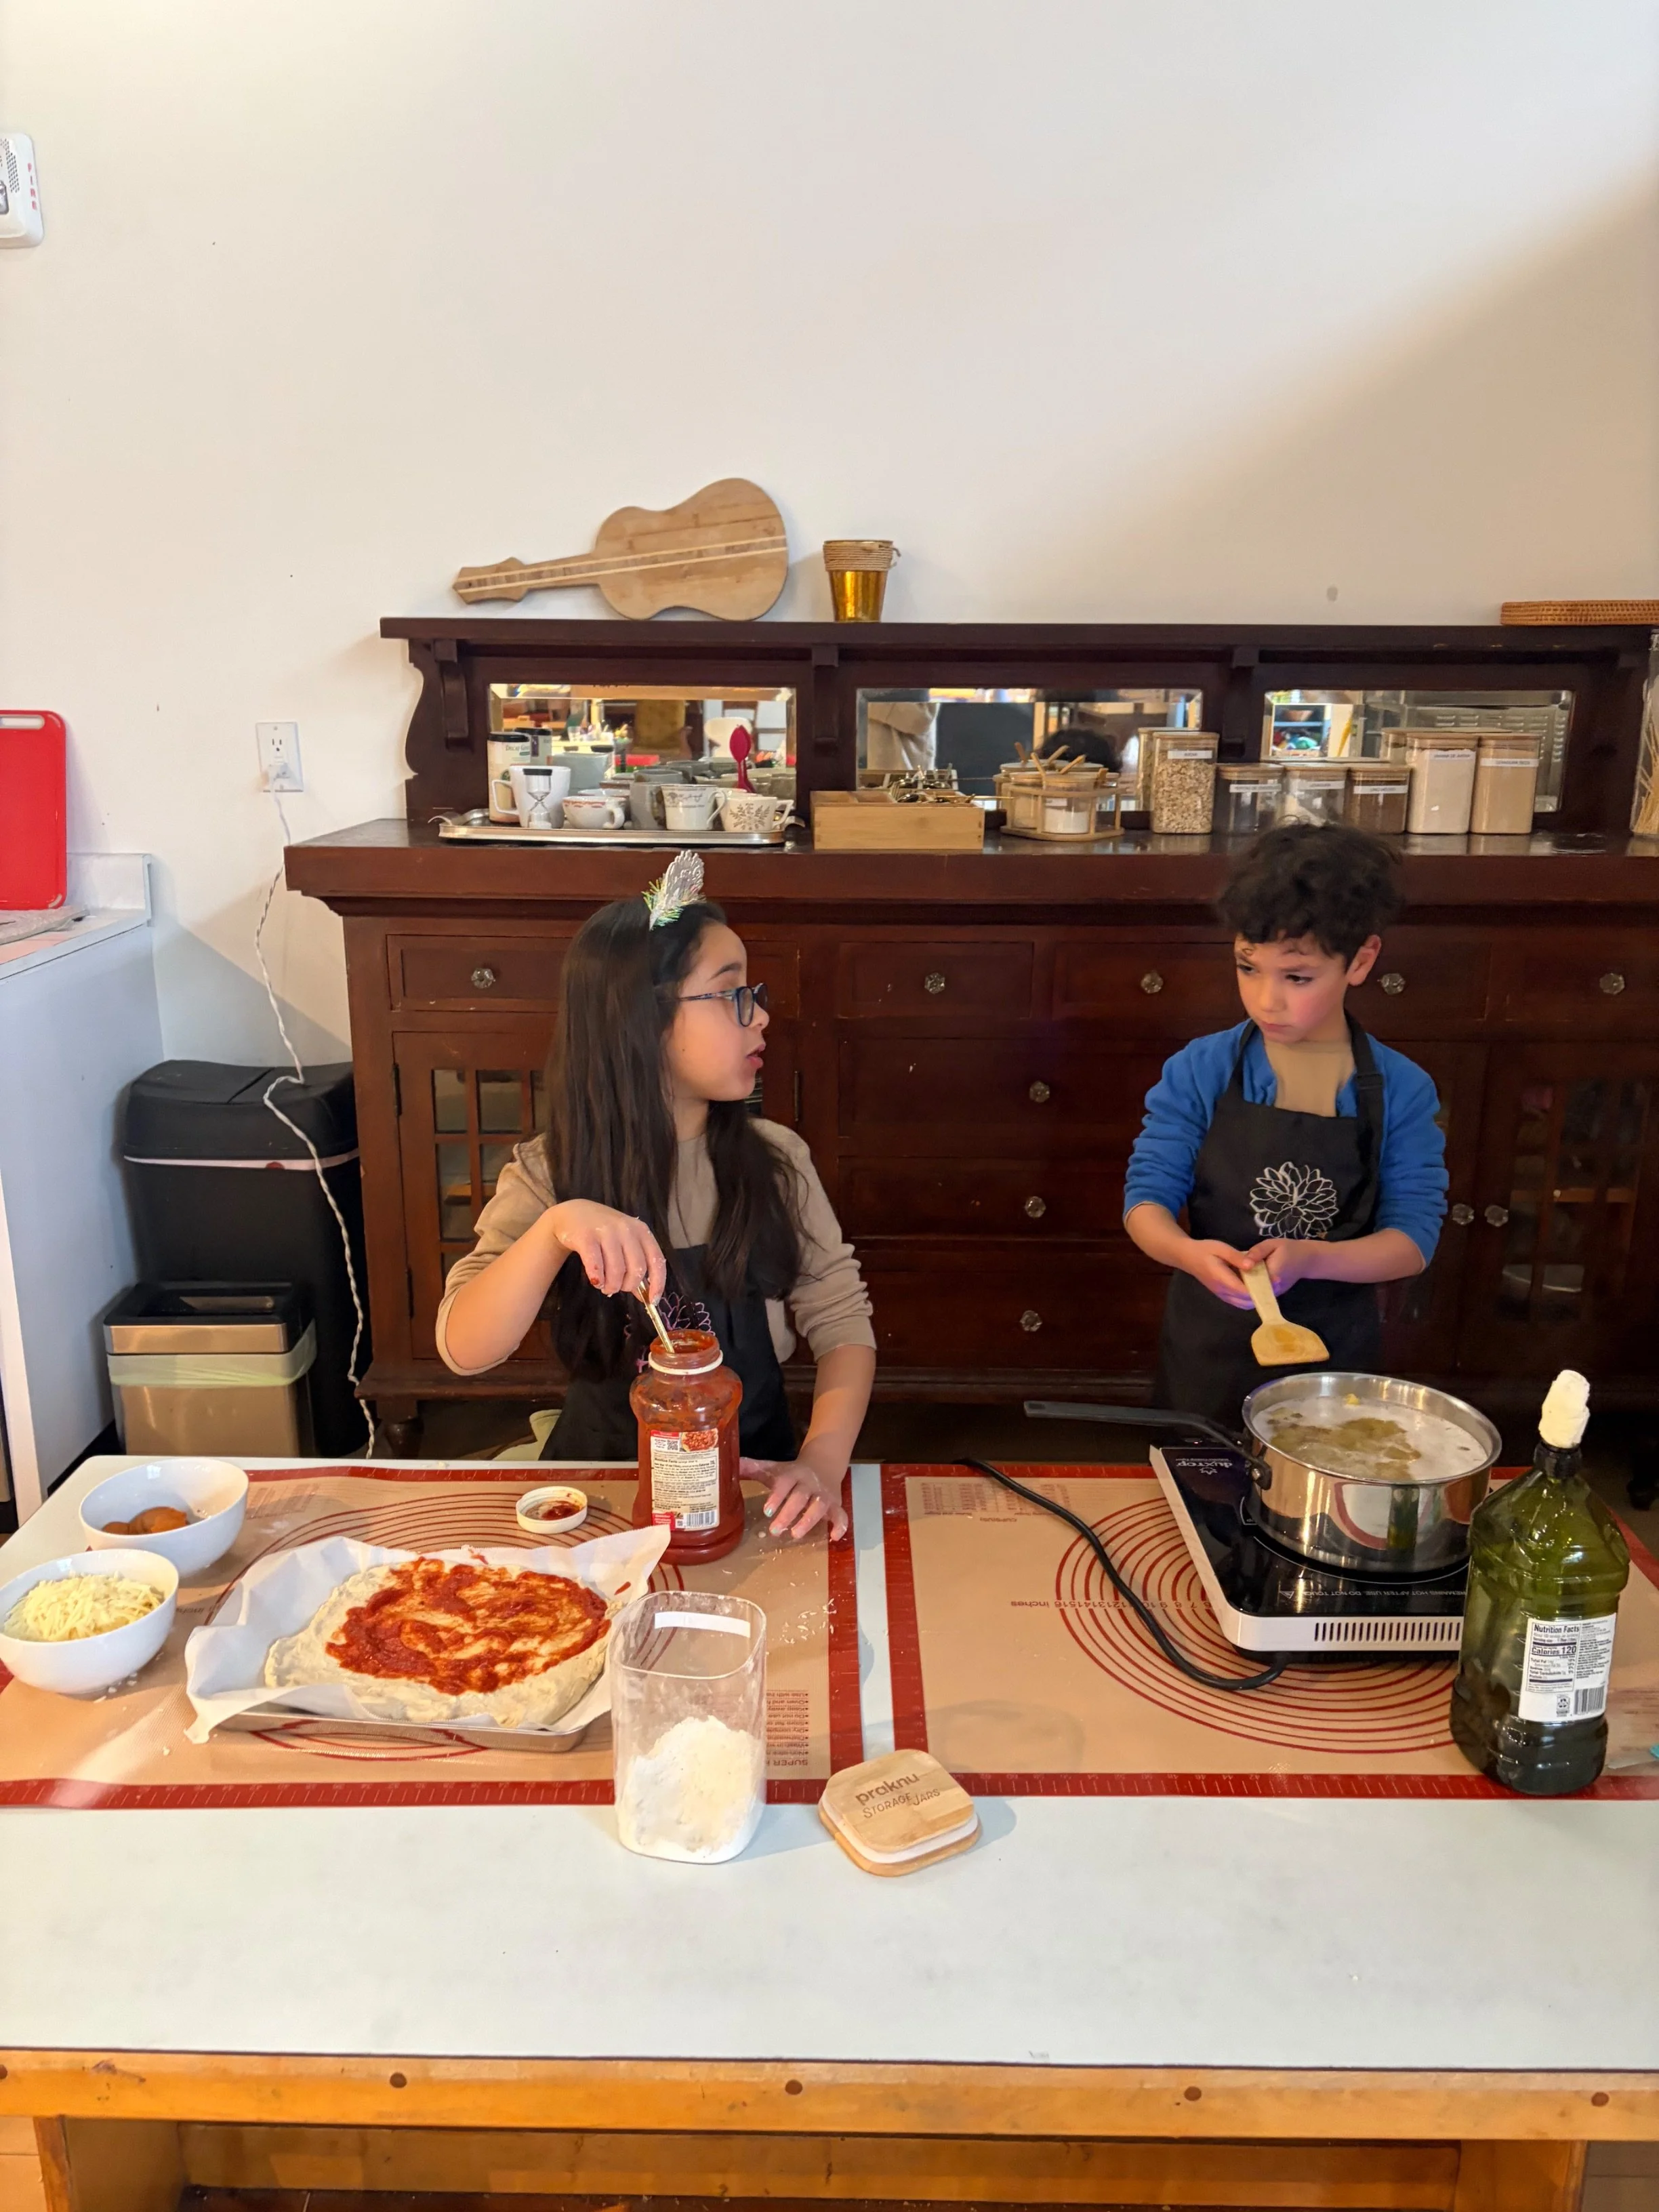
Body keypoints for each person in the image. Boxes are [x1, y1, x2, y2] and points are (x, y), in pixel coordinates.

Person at [437, 853, 875, 1540]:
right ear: (644, 1020)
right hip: (602, 1497)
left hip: (752, 1486)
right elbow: (465, 1348)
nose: (761, 1017)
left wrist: (820, 1462)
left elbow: (842, 1321)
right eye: (731, 995)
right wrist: (555, 1229)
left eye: (753, 993)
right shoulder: (551, 1173)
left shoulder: (776, 1161)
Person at [1123, 823, 1447, 1426]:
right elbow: (1146, 1202)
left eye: (1297, 977)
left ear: (1361, 960)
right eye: (1248, 967)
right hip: (1206, 1349)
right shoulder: (1201, 1068)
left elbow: (1412, 1242)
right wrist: (1187, 1253)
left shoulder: (1401, 1088)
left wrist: (1310, 1258)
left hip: (1334, 1360)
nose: (1266, 999)